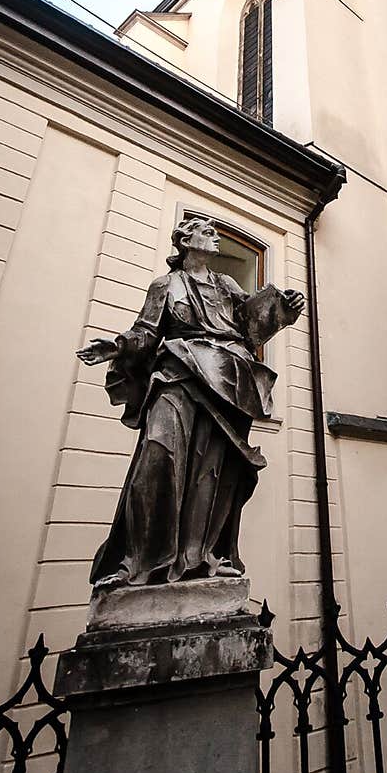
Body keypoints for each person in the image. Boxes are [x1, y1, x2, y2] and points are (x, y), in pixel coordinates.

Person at [77, 216, 305, 588]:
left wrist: (285, 307)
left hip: (228, 380)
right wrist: (116, 347)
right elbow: (146, 332)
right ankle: (141, 560)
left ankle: (200, 556)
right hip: (178, 374)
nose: (215, 236)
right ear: (185, 240)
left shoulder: (226, 284)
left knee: (211, 472)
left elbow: (250, 323)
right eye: (207, 231)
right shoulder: (165, 286)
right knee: (157, 456)